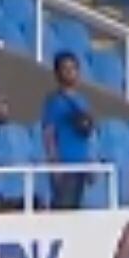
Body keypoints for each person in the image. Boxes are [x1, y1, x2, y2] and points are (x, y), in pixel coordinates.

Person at [40, 51, 93, 209]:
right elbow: (48, 133)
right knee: (63, 209)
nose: (70, 72)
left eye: (73, 68)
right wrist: (54, 163)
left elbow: (87, 134)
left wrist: (90, 161)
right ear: (58, 73)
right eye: (66, 69)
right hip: (64, 164)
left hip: (81, 163)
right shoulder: (54, 101)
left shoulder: (83, 100)